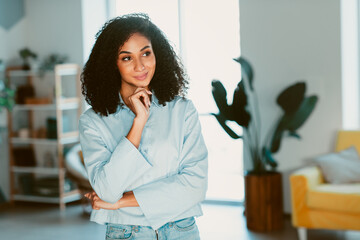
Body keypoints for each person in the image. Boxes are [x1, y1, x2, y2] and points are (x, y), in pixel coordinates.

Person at [79, 13, 208, 240]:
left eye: (146, 53)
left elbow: (195, 187)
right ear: (112, 63)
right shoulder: (93, 122)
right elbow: (107, 191)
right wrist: (138, 122)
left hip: (182, 230)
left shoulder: (182, 111)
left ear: (157, 54)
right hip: (126, 233)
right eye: (127, 58)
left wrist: (121, 202)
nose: (140, 65)